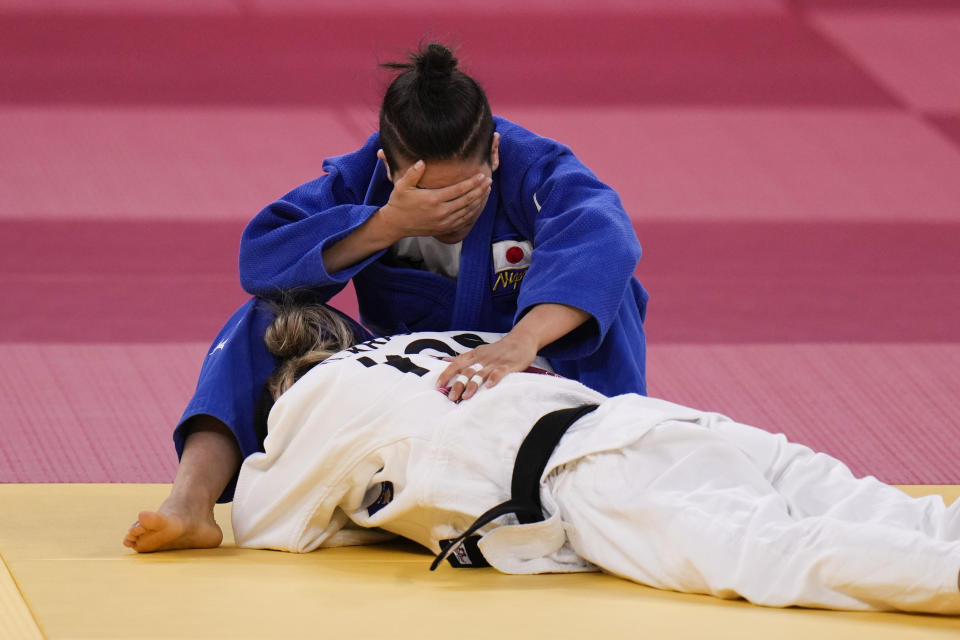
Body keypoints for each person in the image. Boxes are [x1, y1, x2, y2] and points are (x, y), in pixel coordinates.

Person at [125, 42, 648, 553]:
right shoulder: (364, 182)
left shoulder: (538, 170)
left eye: (467, 189)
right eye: (429, 195)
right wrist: (385, 224)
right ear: (390, 168)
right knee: (262, 319)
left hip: (532, 376)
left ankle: (621, 471)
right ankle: (190, 504)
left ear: (493, 150)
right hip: (416, 390)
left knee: (611, 289)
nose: (452, 212)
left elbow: (604, 239)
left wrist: (522, 340)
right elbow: (261, 259)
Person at [216, 300, 956, 614]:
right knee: (882, 509)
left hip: (593, 479)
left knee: (773, 557)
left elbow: (263, 521)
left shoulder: (312, 402)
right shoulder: (424, 342)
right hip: (656, 422)